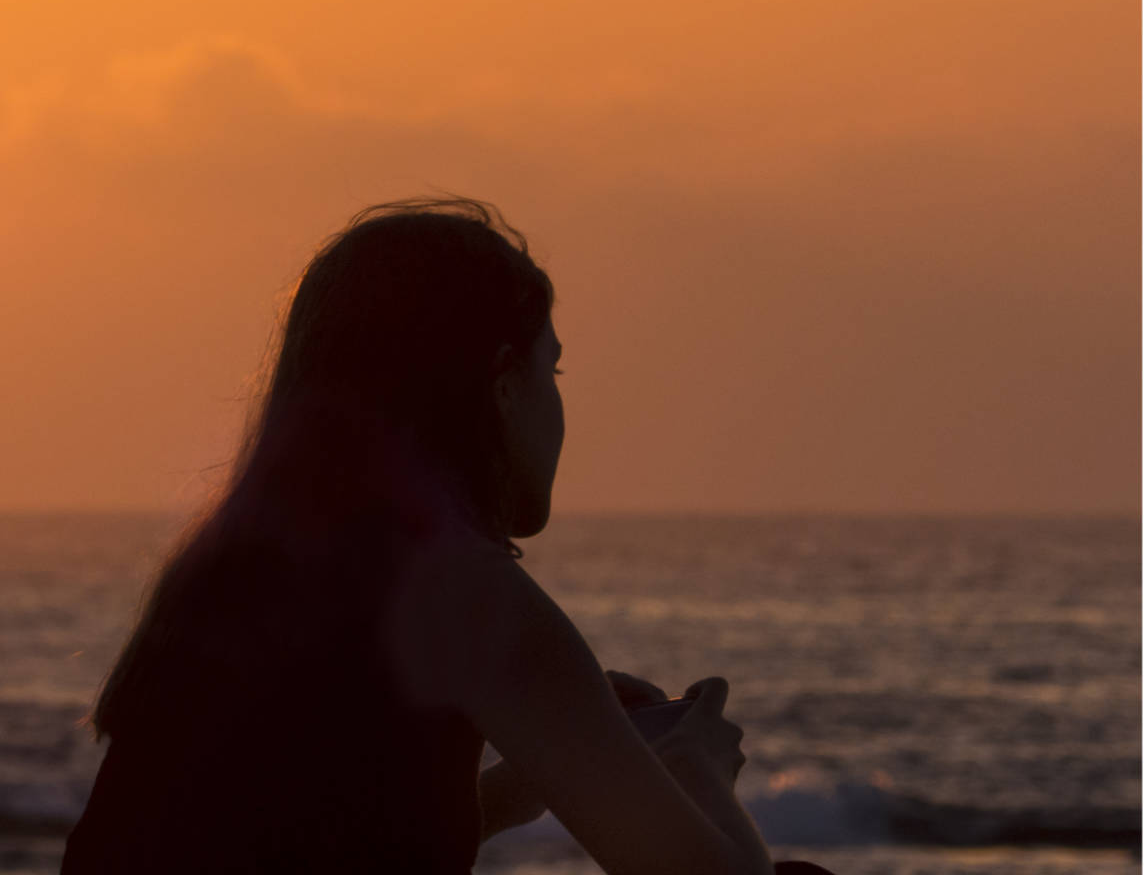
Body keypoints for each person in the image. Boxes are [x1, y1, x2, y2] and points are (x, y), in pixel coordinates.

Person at [61, 197, 829, 875]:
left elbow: (318, 845)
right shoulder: (465, 592)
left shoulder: (238, 571)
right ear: (501, 383)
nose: (559, 412)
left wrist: (519, 789)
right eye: (551, 373)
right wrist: (695, 774)